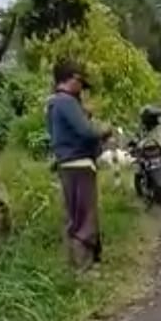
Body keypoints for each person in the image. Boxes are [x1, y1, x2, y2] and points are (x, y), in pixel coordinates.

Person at [46, 60, 108, 268]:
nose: (82, 89)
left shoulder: (54, 103)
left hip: (67, 164)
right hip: (79, 163)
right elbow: (87, 132)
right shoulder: (66, 102)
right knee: (85, 217)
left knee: (74, 216)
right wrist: (104, 131)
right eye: (80, 82)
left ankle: (75, 265)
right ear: (72, 79)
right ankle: (84, 266)